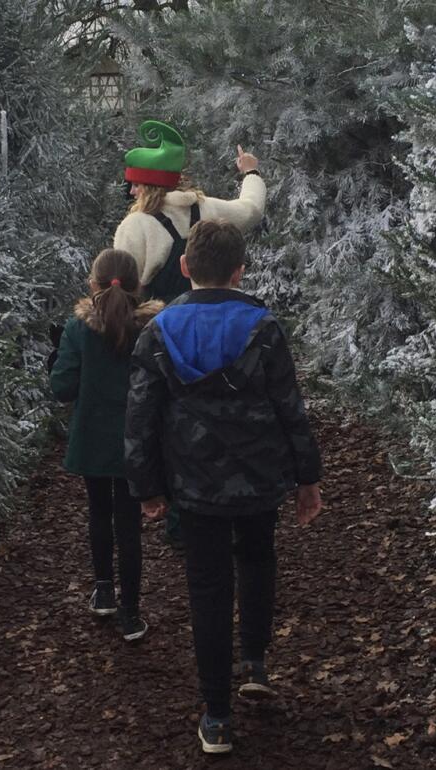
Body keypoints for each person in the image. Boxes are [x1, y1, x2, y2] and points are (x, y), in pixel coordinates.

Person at [125, 220, 323, 754]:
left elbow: (140, 416)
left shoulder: (159, 330)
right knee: (258, 558)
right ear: (240, 272)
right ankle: (254, 662)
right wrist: (307, 477)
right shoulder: (264, 326)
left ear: (185, 267)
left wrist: (146, 486)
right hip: (259, 478)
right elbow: (289, 407)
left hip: (194, 484)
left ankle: (216, 715)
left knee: (207, 588)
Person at [114, 119, 267, 548]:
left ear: (146, 188)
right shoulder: (209, 209)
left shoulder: (137, 227)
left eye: (133, 186)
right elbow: (251, 210)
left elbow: (123, 288)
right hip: (221, 335)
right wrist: (250, 172)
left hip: (166, 343)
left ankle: (186, 520)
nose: (129, 194)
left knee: (170, 425)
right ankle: (231, 505)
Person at [50, 249, 163, 642]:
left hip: (92, 437)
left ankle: (103, 591)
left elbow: (62, 387)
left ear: (92, 283)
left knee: (99, 512)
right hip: (137, 440)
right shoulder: (152, 328)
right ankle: (131, 613)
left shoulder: (77, 329)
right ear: (138, 284)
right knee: (129, 525)